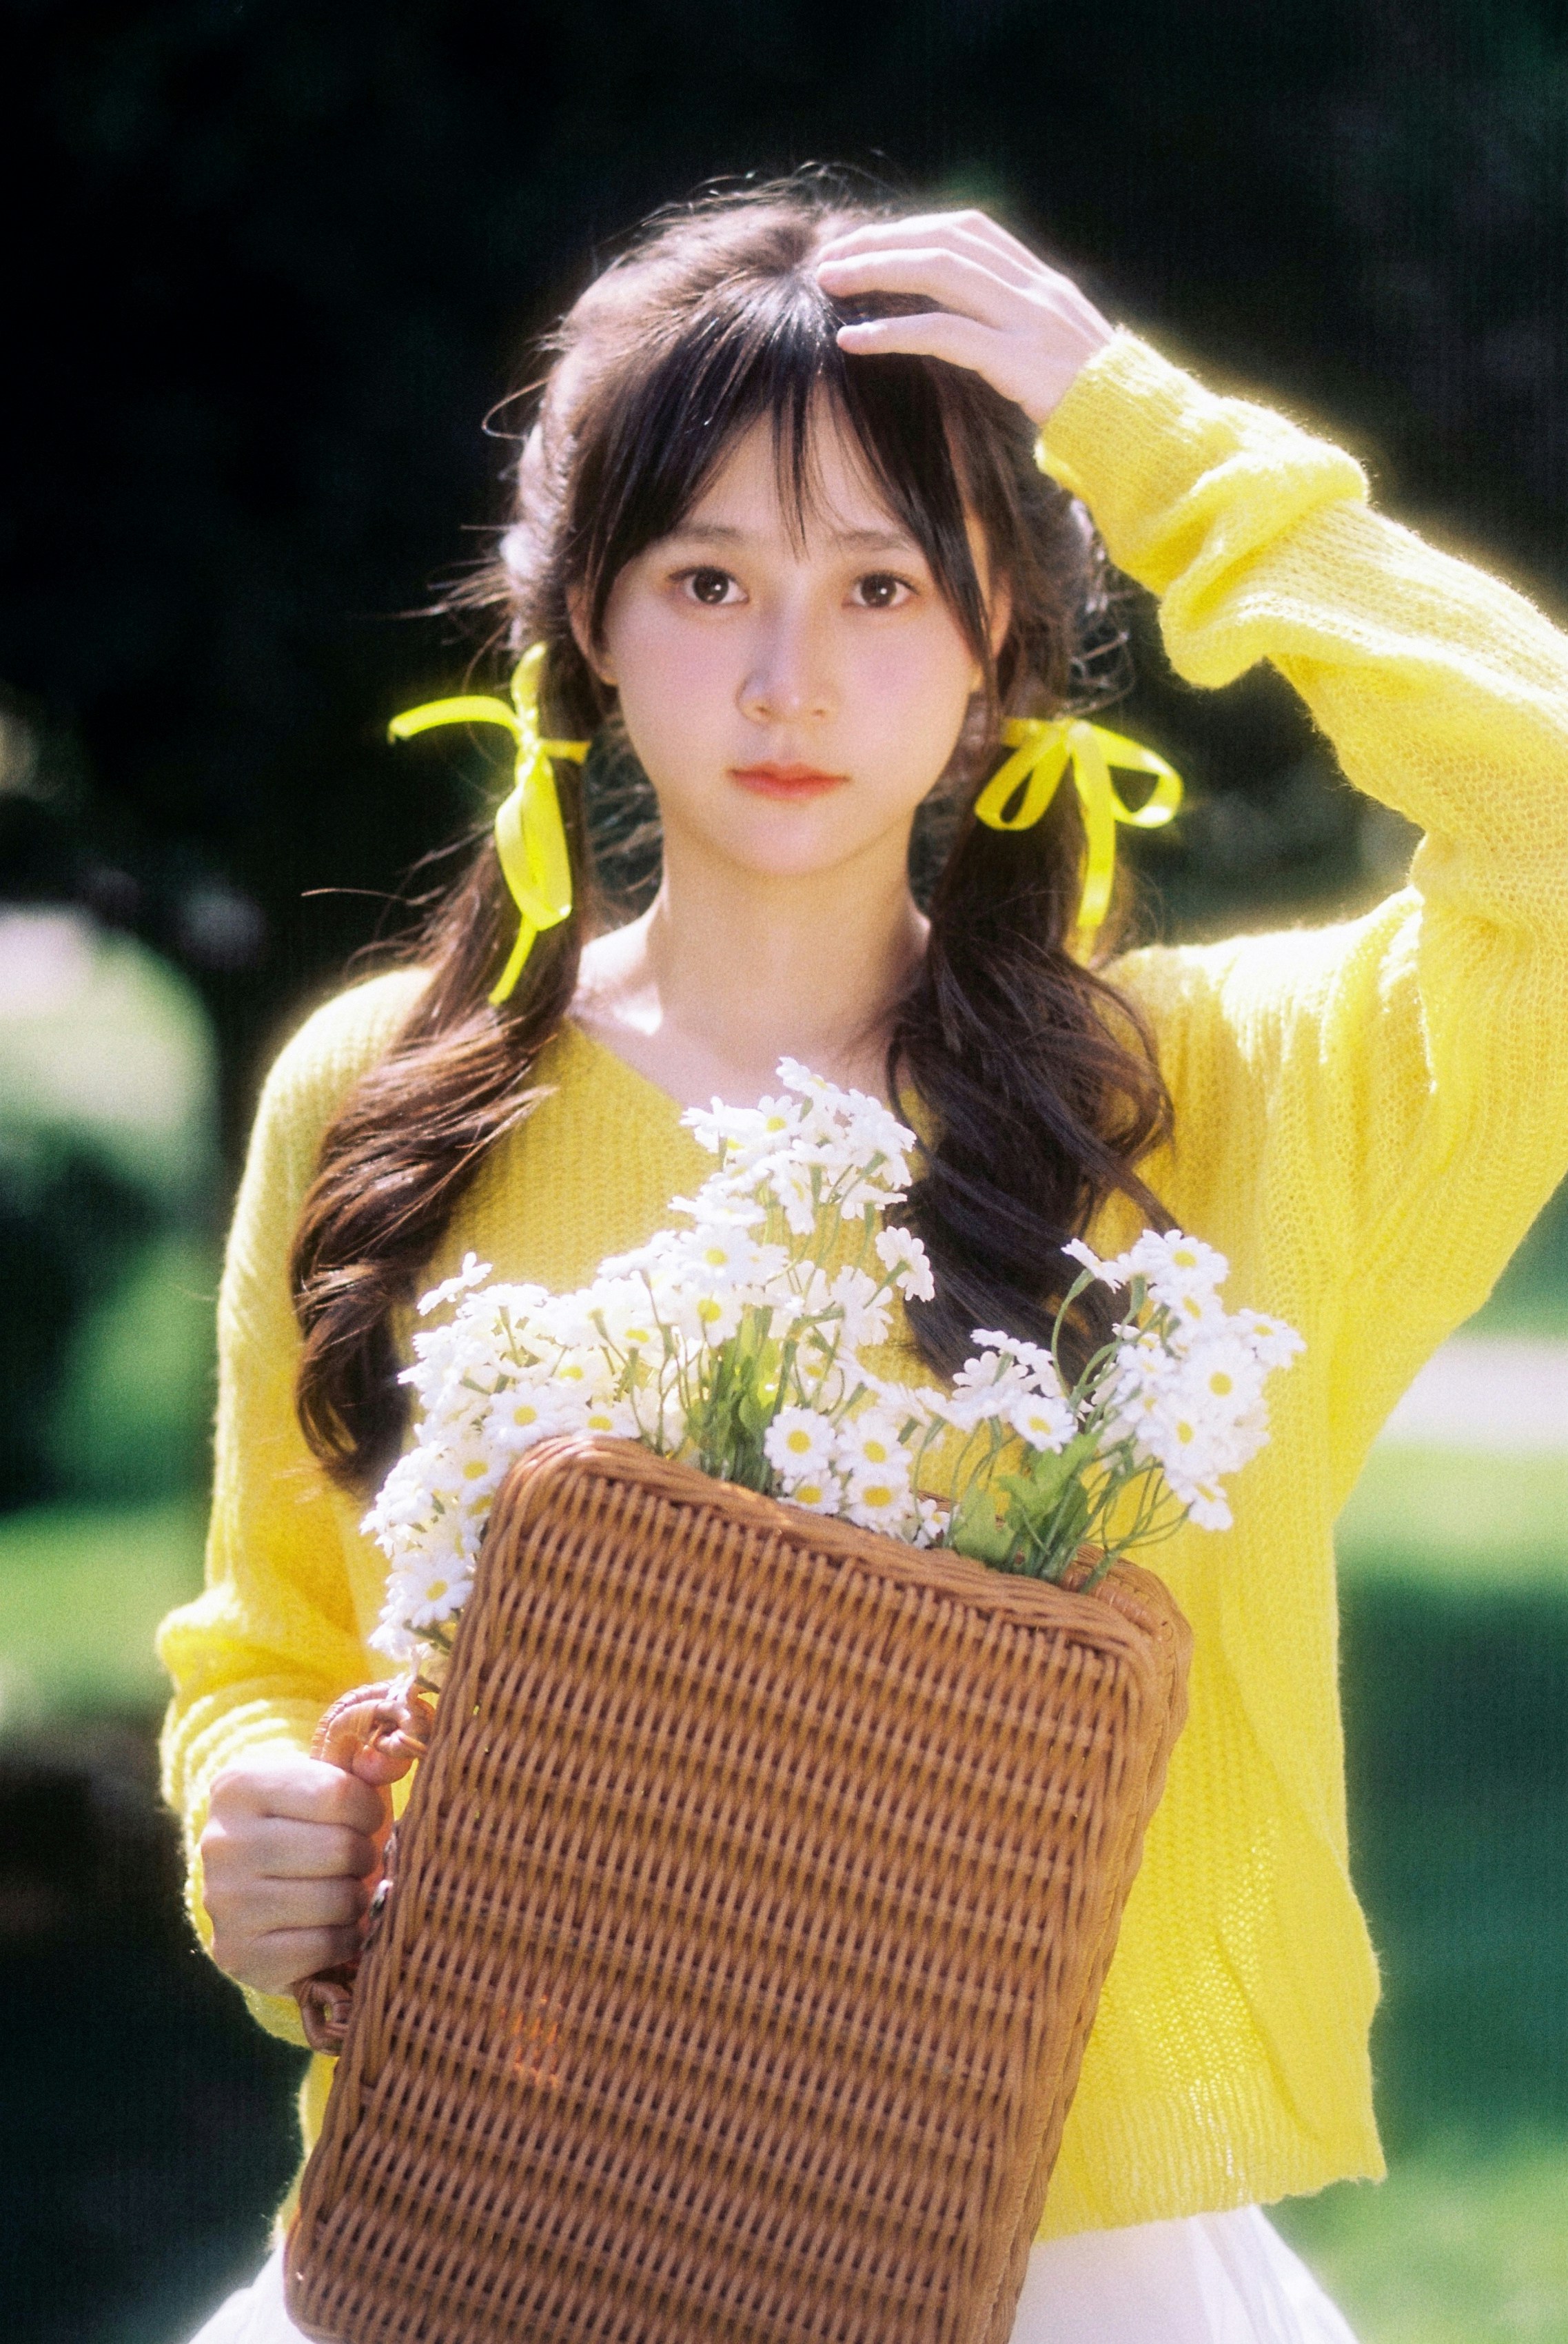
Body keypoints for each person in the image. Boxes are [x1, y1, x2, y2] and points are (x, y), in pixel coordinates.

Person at [159, 176, 1568, 2343]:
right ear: (588, 620)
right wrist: (259, 1827)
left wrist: (1148, 442)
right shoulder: (382, 1098)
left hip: (1057, 2258)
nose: (786, 676)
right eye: (708, 576)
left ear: (996, 639)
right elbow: (269, 1642)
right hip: (505, 2220)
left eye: (883, 582)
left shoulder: (1213, 1096)